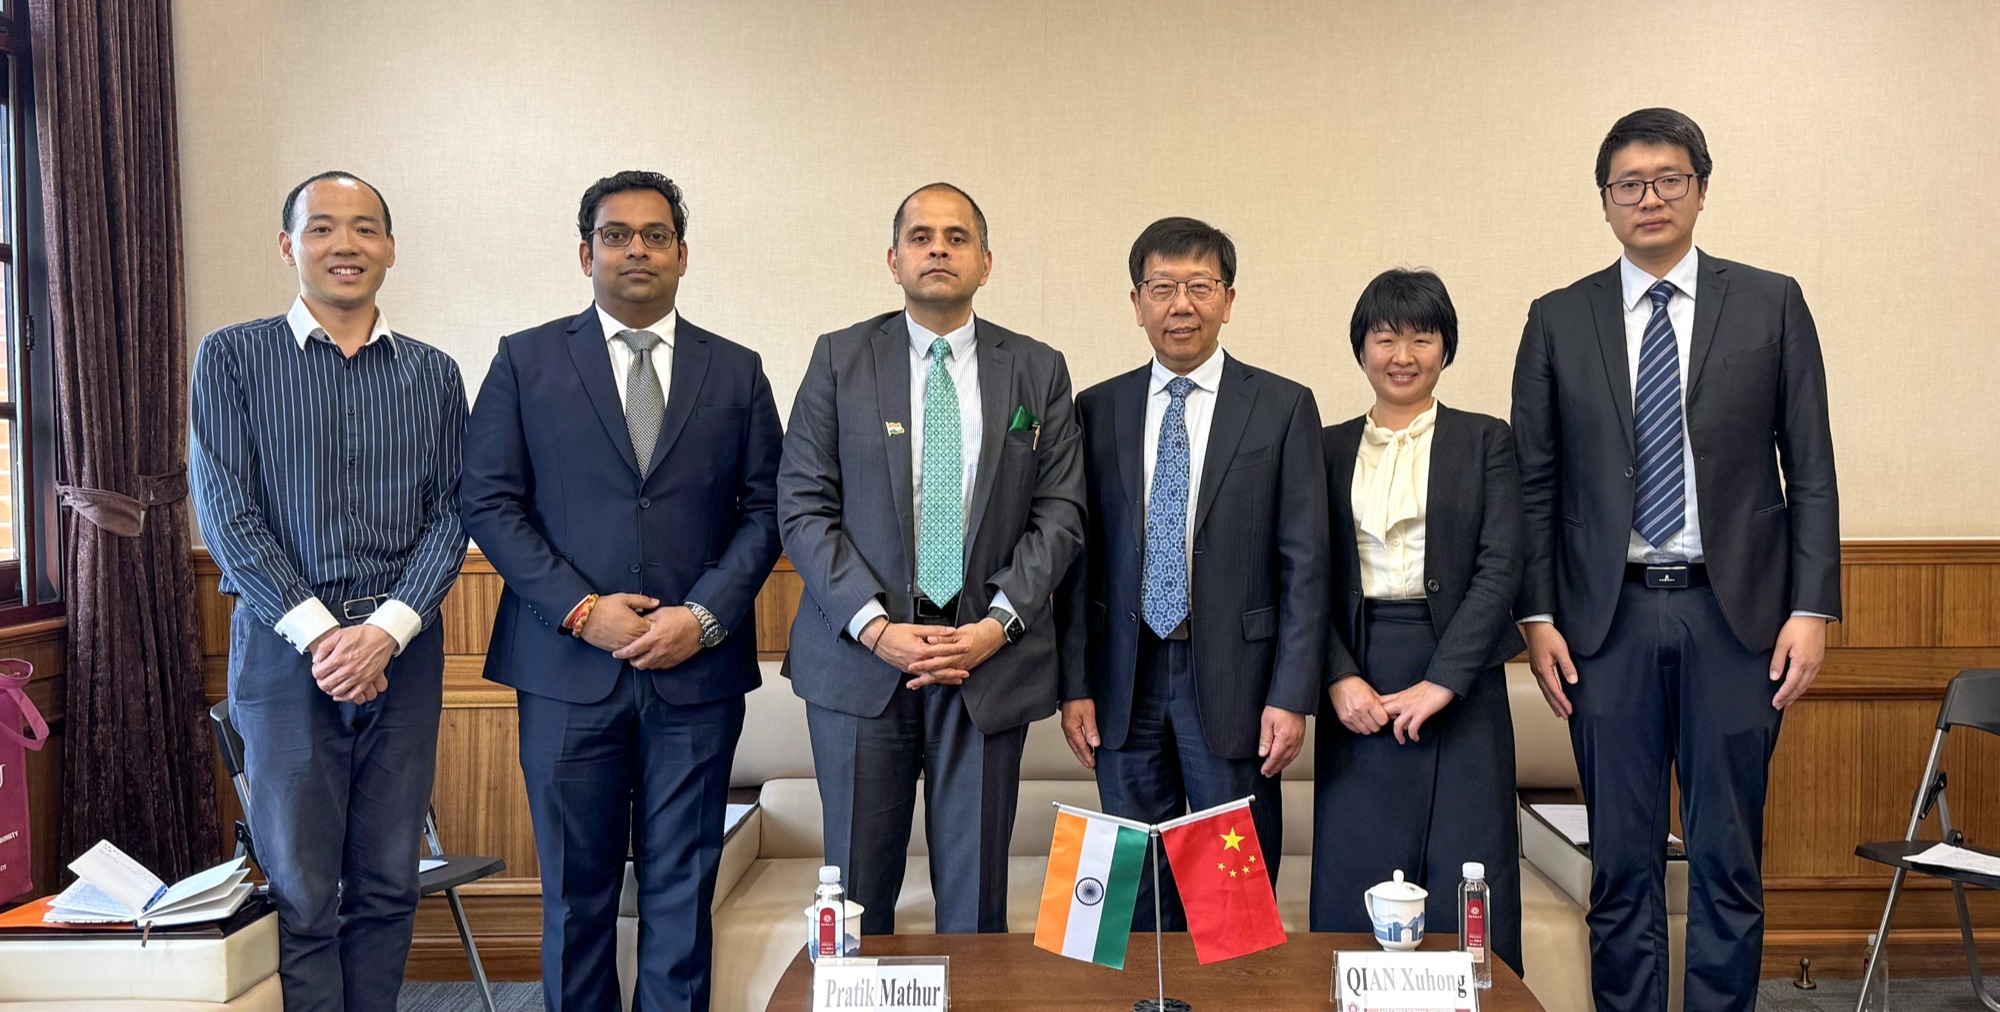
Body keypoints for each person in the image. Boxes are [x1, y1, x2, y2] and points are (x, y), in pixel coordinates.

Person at [1512, 108, 1840, 1012]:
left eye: (1668, 180)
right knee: (1621, 864)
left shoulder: (1771, 302)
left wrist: (1811, 607)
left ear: (1700, 189)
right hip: (1603, 622)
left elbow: (1810, 467)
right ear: (1605, 202)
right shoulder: (1558, 318)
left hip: (1737, 620)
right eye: (1629, 184)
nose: (1649, 198)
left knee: (1728, 860)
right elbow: (1534, 484)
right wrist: (1536, 617)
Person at [461, 171, 782, 1011]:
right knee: (577, 893)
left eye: (655, 234)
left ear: (682, 254)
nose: (636, 249)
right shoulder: (525, 360)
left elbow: (768, 509)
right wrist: (579, 610)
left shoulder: (737, 370)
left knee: (684, 887)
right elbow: (488, 501)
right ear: (586, 253)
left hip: (697, 674)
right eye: (616, 235)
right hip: (564, 671)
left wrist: (703, 617)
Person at [778, 182, 1085, 935]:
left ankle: (975, 995)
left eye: (956, 237)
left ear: (986, 262)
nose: (938, 249)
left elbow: (1060, 513)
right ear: (894, 260)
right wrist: (877, 628)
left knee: (977, 903)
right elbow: (802, 506)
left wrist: (996, 626)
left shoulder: (1037, 368)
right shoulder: (839, 359)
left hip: (985, 658)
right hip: (861, 661)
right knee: (853, 897)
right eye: (920, 237)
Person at [191, 172, 466, 1012]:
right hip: (283, 657)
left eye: (364, 228)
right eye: (321, 228)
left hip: (403, 656)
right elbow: (226, 513)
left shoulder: (434, 374)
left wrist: (383, 633)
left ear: (390, 248)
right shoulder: (232, 358)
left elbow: (455, 513)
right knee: (301, 892)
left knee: (387, 883)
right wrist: (323, 636)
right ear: (289, 246)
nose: (345, 244)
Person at [1057, 216, 1328, 929]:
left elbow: (1305, 565)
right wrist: (1074, 684)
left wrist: (1291, 695)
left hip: (1236, 683)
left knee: (1229, 902)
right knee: (1131, 902)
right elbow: (1078, 561)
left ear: (1229, 300)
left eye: (1200, 287)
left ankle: (1228, 991)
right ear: (1137, 303)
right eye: (1162, 288)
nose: (1181, 305)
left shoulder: (1282, 406)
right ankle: (1142, 992)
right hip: (1124, 681)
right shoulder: (1097, 408)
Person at [1310, 268, 1523, 974]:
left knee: (1470, 870)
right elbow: (1302, 576)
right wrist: (1337, 676)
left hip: (1463, 680)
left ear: (1445, 348)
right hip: (1358, 678)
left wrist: (1444, 681)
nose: (1403, 355)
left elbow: (1501, 567)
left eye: (1422, 338)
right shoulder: (1323, 447)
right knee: (1357, 873)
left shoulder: (1486, 440)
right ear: (1361, 348)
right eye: (1385, 337)